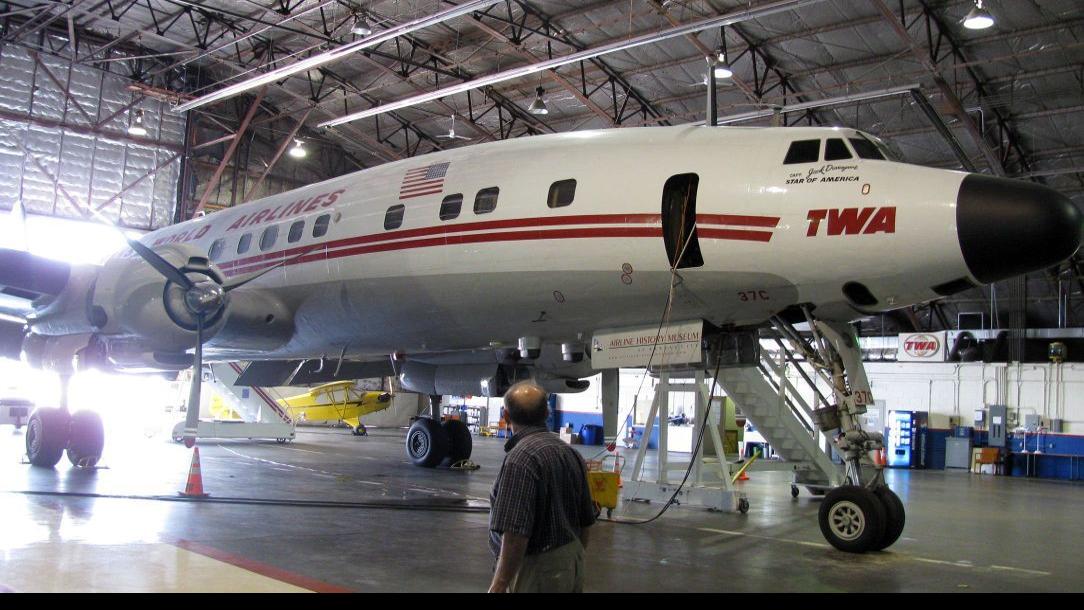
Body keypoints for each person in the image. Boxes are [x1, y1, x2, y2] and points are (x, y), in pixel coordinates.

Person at [488, 381, 596, 593]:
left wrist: (499, 584)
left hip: (537, 570)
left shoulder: (520, 460)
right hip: (572, 560)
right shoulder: (571, 453)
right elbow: (586, 521)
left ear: (506, 416)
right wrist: (569, 562)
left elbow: (515, 534)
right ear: (547, 414)